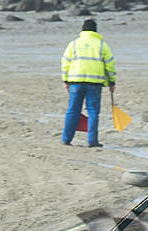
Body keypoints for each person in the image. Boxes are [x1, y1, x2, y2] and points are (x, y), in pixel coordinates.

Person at [61, 19, 116, 147]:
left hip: (75, 82)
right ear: (95, 30)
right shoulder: (102, 45)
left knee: (72, 111)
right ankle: (92, 141)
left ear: (82, 30)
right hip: (95, 83)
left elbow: (65, 63)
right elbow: (110, 66)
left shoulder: (73, 44)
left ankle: (66, 139)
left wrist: (65, 80)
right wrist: (111, 83)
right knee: (93, 112)